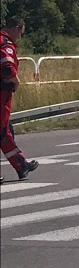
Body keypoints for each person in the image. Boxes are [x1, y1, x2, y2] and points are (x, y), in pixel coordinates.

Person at [1, 17, 38, 183]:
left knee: (5, 133)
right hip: (1, 94)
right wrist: (16, 82)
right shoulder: (5, 44)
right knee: (1, 132)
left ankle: (21, 165)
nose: (20, 38)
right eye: (20, 33)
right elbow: (7, 68)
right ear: (16, 28)